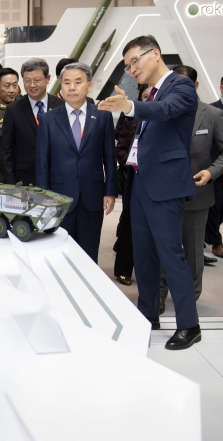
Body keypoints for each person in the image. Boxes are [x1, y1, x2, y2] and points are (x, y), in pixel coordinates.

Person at [99, 35, 200, 350]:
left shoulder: (179, 87)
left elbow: (167, 111)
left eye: (135, 61)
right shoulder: (152, 92)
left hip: (165, 185)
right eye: (127, 65)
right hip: (139, 183)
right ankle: (147, 316)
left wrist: (129, 105)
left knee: (171, 255)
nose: (132, 69)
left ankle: (189, 324)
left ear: (154, 54)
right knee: (142, 254)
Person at [35, 62, 117, 263]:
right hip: (58, 196)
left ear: (88, 86)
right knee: (58, 251)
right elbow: (42, 161)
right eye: (67, 83)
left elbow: (109, 156)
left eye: (78, 82)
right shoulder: (48, 119)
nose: (72, 87)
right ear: (60, 87)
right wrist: (43, 196)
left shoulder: (103, 116)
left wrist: (110, 191)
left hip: (93, 195)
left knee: (89, 252)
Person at [158, 65, 223, 309]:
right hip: (164, 195)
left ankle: (190, 298)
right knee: (165, 247)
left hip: (197, 195)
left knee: (194, 252)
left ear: (195, 86)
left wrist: (211, 172)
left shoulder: (213, 115)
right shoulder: (163, 111)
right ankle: (160, 294)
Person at [1, 58, 64, 186]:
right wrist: (11, 185)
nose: (32, 85)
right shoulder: (13, 110)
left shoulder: (61, 106)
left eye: (37, 80)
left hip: (58, 177)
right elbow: (6, 151)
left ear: (47, 79)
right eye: (27, 81)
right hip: (25, 180)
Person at [113, 84, 151, 286]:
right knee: (128, 226)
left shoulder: (163, 120)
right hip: (132, 179)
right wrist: (131, 161)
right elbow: (119, 148)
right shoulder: (130, 118)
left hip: (155, 181)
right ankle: (123, 270)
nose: (148, 100)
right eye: (145, 96)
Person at [206, 75, 223, 257]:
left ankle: (210, 232)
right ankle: (216, 242)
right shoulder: (212, 110)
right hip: (215, 167)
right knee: (215, 205)